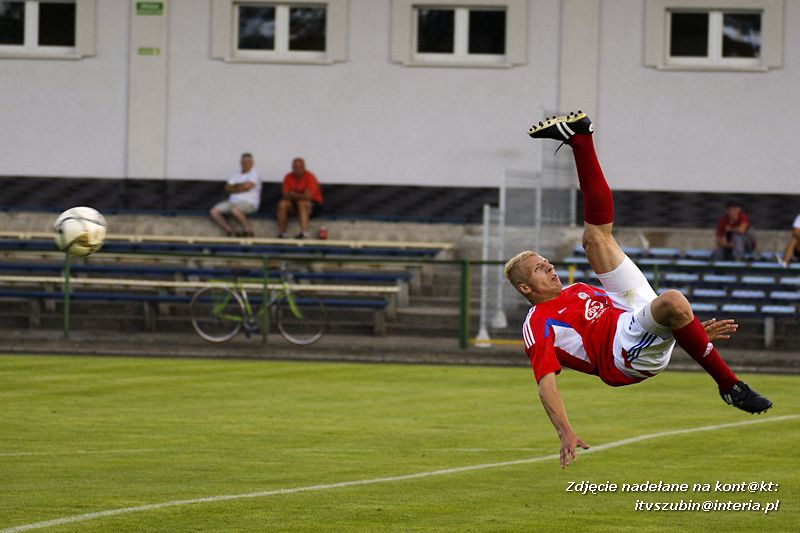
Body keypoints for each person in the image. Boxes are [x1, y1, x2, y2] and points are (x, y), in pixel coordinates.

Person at [504, 112, 772, 469]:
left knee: (595, 238)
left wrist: (683, 333)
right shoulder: (537, 323)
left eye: (547, 262)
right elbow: (546, 384)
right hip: (622, 356)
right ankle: (730, 385)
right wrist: (565, 431)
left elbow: (644, 322)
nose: (550, 267)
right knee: (673, 300)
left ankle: (580, 140)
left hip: (629, 321)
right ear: (525, 287)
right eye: (540, 268)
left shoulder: (578, 289)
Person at [209, 153, 261, 237]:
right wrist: (241, 186)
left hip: (249, 203)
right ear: (240, 162)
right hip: (232, 202)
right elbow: (227, 188)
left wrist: (234, 187)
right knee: (214, 212)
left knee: (235, 210)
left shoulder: (255, 173)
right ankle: (231, 231)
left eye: (248, 161)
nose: (245, 163)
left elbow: (247, 187)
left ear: (252, 163)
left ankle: (248, 231)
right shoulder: (236, 173)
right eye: (243, 161)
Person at [277, 157, 324, 239]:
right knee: (282, 204)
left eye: (300, 167)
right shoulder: (288, 177)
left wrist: (293, 194)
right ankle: (282, 233)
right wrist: (301, 195)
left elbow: (308, 196)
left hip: (313, 204)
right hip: (295, 204)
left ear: (304, 168)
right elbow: (285, 195)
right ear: (292, 168)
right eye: (295, 167)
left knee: (302, 203)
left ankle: (304, 233)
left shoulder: (310, 176)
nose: (297, 169)